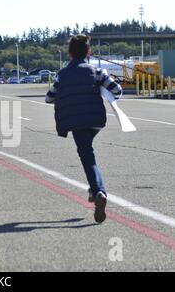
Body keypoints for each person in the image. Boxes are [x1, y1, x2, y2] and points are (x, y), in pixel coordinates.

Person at [45, 35, 123, 224]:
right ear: (88, 52)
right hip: (95, 121)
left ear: (69, 53)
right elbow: (117, 90)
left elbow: (49, 97)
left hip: (76, 122)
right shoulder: (97, 71)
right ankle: (93, 190)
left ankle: (98, 191)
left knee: (87, 155)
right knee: (88, 151)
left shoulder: (62, 74)